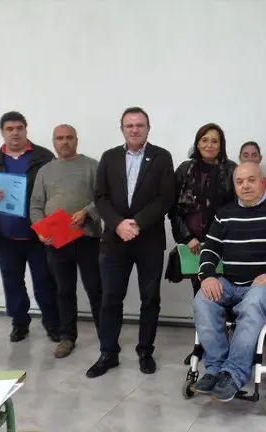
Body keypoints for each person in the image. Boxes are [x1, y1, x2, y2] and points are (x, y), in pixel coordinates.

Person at [190, 162, 266, 402]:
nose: (245, 185)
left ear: (262, 181)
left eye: (251, 180)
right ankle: (215, 369)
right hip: (231, 282)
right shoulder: (224, 214)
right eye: (239, 181)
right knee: (203, 299)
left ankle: (233, 374)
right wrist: (208, 276)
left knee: (253, 303)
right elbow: (210, 250)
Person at [87, 107, 175, 378]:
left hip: (149, 239)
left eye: (140, 125)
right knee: (110, 298)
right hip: (114, 239)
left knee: (150, 298)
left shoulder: (161, 157)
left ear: (148, 128)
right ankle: (108, 353)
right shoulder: (109, 157)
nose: (135, 129)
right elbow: (100, 197)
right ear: (122, 129)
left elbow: (166, 198)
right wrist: (118, 224)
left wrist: (136, 223)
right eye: (130, 125)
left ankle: (145, 351)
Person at [0, 111, 60, 343]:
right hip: (5, 236)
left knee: (45, 282)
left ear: (26, 129)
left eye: (19, 128)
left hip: (38, 235)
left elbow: (57, 189)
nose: (15, 133)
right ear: (2, 132)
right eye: (9, 129)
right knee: (12, 283)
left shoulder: (44, 157)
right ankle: (19, 323)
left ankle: (53, 324)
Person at [29, 124, 102, 359]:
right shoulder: (45, 171)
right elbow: (36, 206)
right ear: (54, 142)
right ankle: (67, 337)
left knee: (96, 288)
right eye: (59, 138)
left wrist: (87, 212)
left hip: (88, 238)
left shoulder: (92, 166)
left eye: (69, 137)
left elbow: (104, 199)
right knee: (63, 290)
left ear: (76, 140)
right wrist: (41, 230)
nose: (64, 142)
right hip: (57, 242)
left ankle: (106, 335)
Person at [169, 123, 237, 365]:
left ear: (221, 145)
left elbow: (237, 210)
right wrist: (187, 237)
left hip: (224, 245)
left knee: (225, 298)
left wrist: (219, 240)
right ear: (197, 143)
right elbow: (173, 209)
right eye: (204, 140)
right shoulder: (184, 169)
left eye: (215, 141)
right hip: (193, 247)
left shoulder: (231, 170)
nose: (209, 145)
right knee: (201, 299)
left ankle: (228, 348)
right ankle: (202, 347)